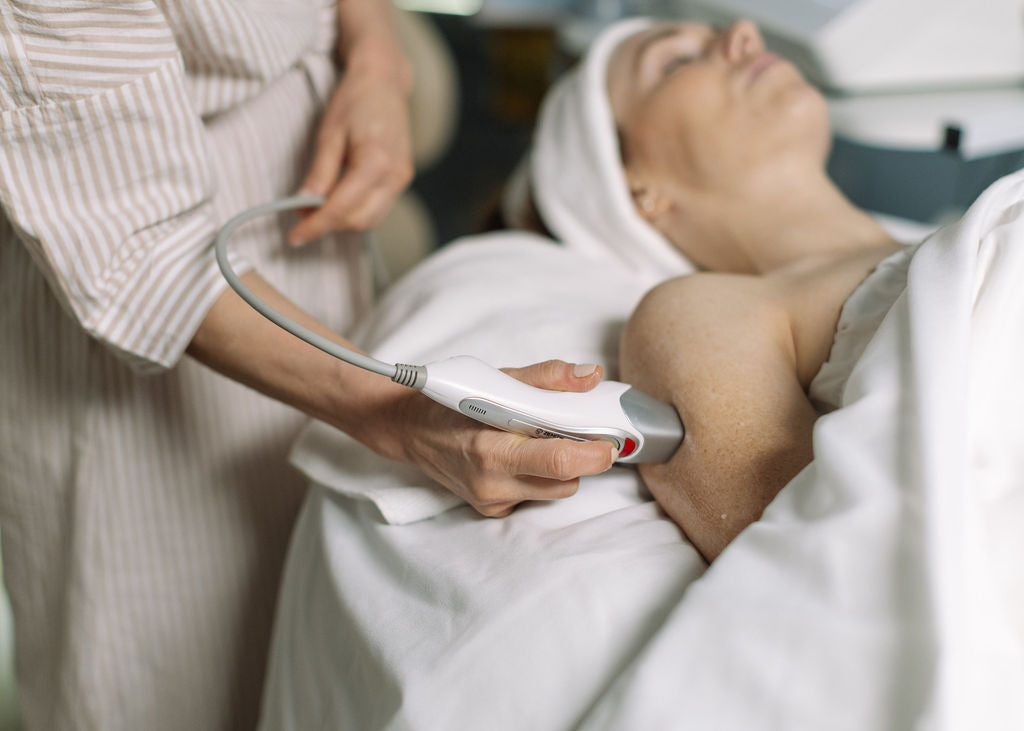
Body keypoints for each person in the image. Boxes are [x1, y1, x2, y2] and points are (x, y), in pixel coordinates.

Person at [0, 2, 613, 729]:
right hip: (136, 346)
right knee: (173, 683)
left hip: (308, 229)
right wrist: (390, 410)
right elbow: (145, 258)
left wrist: (377, 61)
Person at [521, 17, 908, 563]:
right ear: (636, 188)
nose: (744, 32)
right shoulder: (704, 314)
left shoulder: (966, 225)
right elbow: (813, 562)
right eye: (675, 62)